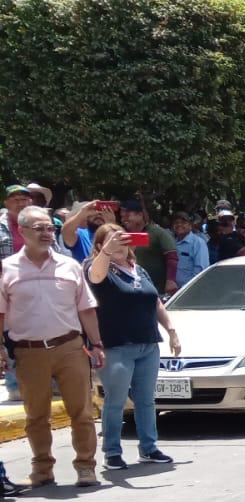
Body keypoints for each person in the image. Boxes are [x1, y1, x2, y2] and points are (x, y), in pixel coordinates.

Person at [0, 207, 106, 487]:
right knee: (36, 416)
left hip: (70, 347)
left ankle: (86, 466)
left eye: (50, 228)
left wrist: (96, 344)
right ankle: (42, 468)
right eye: (39, 228)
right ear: (21, 231)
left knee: (81, 412)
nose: (47, 233)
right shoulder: (7, 268)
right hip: (28, 351)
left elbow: (86, 309)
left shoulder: (69, 265)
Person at [85, 222, 180, 469]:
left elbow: (156, 302)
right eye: (112, 239)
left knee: (146, 400)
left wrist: (171, 330)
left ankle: (149, 448)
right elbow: (95, 276)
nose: (120, 244)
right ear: (99, 245)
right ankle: (112, 452)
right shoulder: (97, 267)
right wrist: (107, 252)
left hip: (147, 344)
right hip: (116, 346)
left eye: (123, 239)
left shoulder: (139, 270)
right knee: (116, 400)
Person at [117, 201, 178, 295]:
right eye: (122, 217)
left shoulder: (157, 233)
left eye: (127, 215)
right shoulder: (122, 235)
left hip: (156, 290)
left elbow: (172, 256)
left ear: (140, 215)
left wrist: (171, 280)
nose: (124, 219)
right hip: (130, 290)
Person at [171, 212, 212, 288]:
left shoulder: (198, 243)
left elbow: (201, 270)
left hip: (191, 290)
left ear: (190, 226)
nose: (179, 225)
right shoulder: (172, 243)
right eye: (176, 222)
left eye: (183, 222)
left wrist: (186, 289)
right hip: (174, 291)